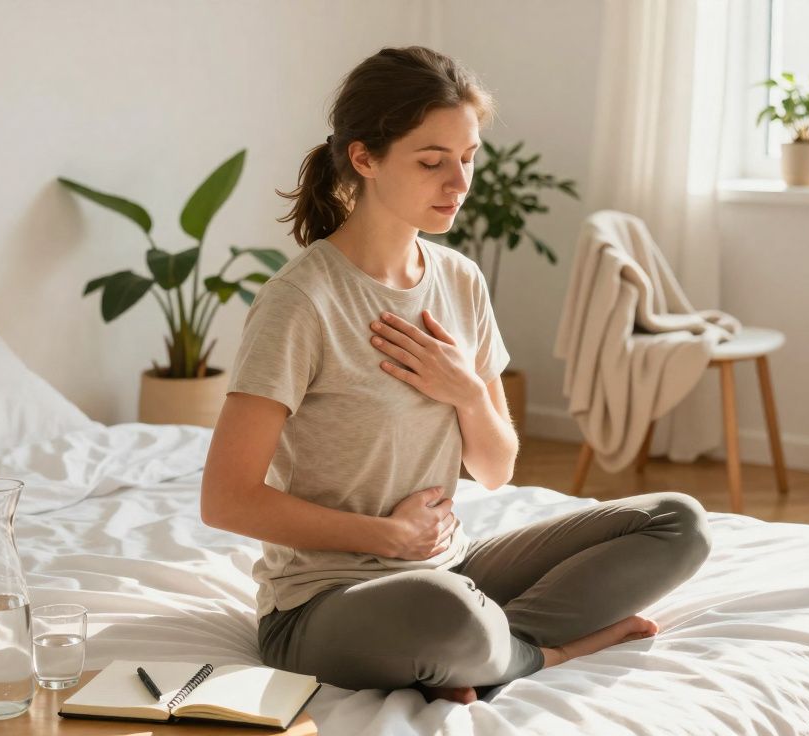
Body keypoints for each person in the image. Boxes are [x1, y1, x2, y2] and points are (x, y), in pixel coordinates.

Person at [200, 45, 712, 706]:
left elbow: (497, 468)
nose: (459, 183)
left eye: (468, 158)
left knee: (679, 524)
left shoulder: (459, 282)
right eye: (432, 161)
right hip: (323, 603)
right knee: (443, 610)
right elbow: (227, 498)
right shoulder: (303, 301)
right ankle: (544, 651)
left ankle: (489, 649)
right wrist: (389, 537)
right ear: (364, 158)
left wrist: (465, 390)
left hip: (448, 571)